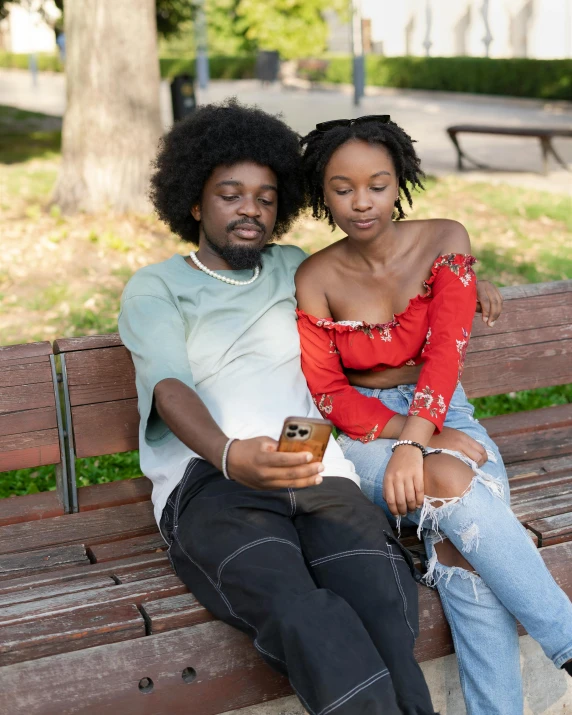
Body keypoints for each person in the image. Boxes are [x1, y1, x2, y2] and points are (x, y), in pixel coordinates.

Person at [118, 99, 438, 715]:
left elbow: (391, 274)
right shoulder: (157, 286)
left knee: (379, 595)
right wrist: (231, 456)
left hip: (315, 468)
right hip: (212, 483)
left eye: (265, 197)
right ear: (193, 202)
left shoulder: (296, 267)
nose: (250, 210)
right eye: (230, 194)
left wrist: (463, 279)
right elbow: (169, 387)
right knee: (302, 612)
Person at [295, 114, 572, 715]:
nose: (361, 203)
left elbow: (445, 356)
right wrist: (413, 440)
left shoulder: (446, 238)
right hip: (364, 433)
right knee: (449, 481)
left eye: (377, 184)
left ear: (401, 182)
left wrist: (426, 434)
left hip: (448, 411)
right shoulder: (315, 276)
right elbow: (328, 394)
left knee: (458, 548)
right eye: (342, 189)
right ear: (323, 192)